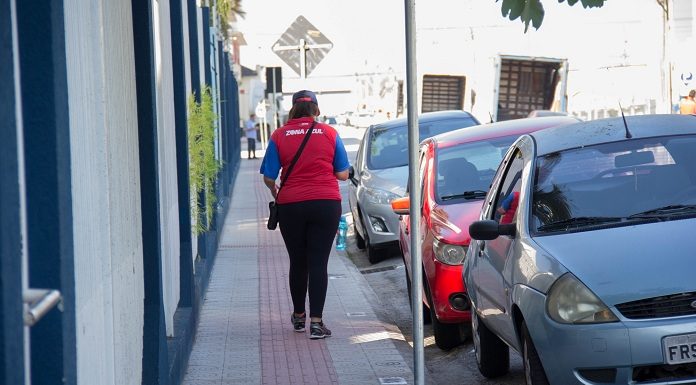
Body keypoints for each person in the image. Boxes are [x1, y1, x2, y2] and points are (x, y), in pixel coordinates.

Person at [259, 90, 350, 339]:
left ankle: (299, 317)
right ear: (316, 111)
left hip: (291, 205)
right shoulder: (330, 133)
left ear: (293, 110)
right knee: (319, 262)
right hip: (326, 203)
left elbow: (269, 176)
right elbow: (342, 174)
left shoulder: (279, 135)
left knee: (298, 262)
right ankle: (317, 324)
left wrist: (274, 189)